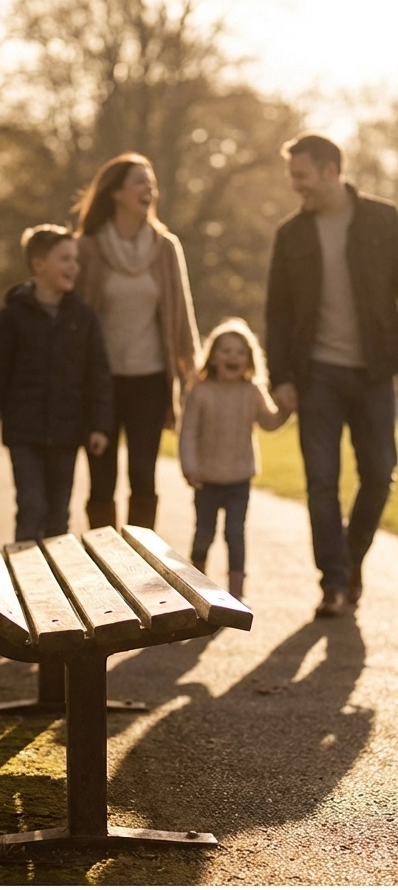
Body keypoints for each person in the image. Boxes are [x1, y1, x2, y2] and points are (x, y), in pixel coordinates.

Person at [266, 132, 398, 617]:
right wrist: (280, 377)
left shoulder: (385, 220)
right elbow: (277, 313)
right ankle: (334, 583)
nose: (295, 185)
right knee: (321, 482)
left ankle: (349, 561)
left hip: (375, 373)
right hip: (316, 374)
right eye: (292, 176)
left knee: (379, 474)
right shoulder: (291, 234)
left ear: (330, 170)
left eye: (302, 175)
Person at [74, 152, 201, 531]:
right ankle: (100, 554)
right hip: (101, 384)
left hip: (151, 380)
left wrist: (194, 372)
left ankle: (141, 553)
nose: (151, 190)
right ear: (115, 192)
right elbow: (73, 322)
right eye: (141, 182)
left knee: (144, 475)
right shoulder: (88, 248)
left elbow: (181, 315)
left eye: (152, 183)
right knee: (102, 479)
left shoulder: (165, 247)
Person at [0, 224, 113, 541]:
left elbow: (98, 375)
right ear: (38, 265)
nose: (73, 267)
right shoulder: (13, 315)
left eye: (75, 260)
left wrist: (99, 425)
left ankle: (54, 574)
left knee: (58, 516)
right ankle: (23, 569)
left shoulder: (83, 317)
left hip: (67, 432)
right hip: (24, 432)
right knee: (31, 507)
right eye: (65, 259)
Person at [179, 318, 290, 600]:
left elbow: (269, 422)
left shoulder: (252, 392)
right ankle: (196, 587)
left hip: (239, 479)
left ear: (249, 359)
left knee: (235, 534)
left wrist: (286, 409)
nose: (233, 357)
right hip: (206, 479)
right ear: (213, 357)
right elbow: (188, 433)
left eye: (240, 352)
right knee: (204, 533)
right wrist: (190, 467)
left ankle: (236, 593)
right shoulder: (200, 392)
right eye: (226, 351)